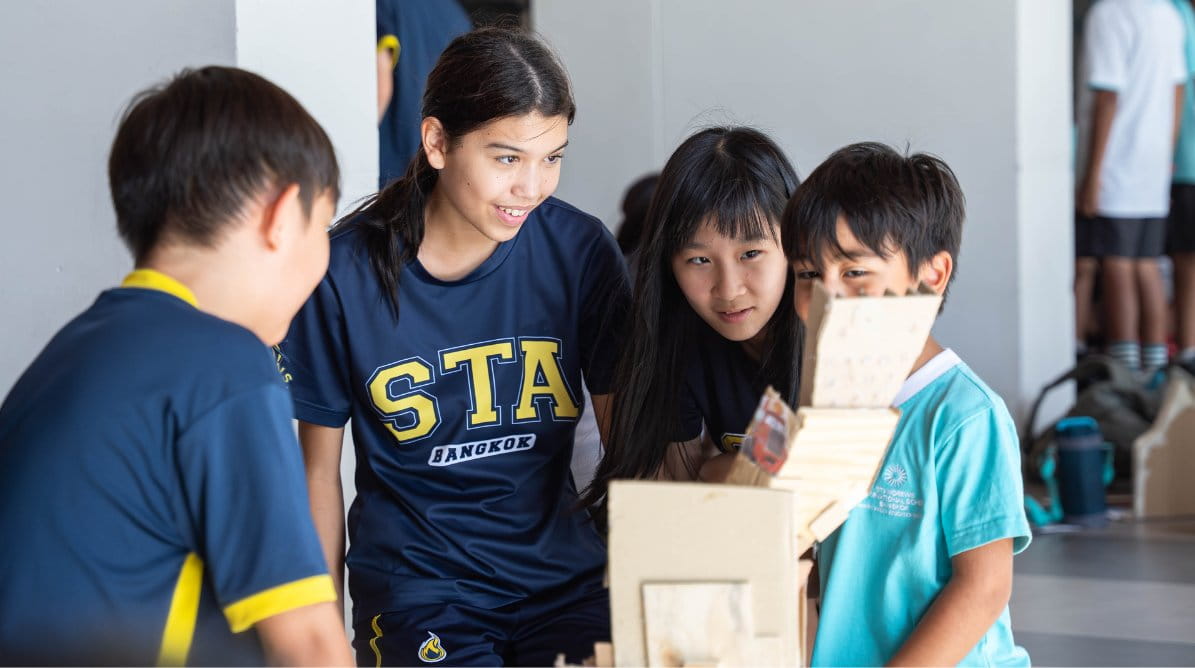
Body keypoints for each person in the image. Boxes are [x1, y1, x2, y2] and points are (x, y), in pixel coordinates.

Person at [280, 27, 629, 667]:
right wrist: (324, 638)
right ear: (437, 142)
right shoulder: (341, 274)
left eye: (552, 158)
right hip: (421, 595)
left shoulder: (580, 251)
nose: (533, 186)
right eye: (507, 158)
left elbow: (625, 450)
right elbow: (317, 474)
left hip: (567, 584)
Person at [0, 66, 352, 666]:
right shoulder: (226, 365)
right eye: (322, 227)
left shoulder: (64, 359)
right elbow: (312, 646)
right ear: (281, 215)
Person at [783, 142, 1031, 666]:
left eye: (854, 274)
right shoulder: (822, 406)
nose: (827, 299)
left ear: (931, 275)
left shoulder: (965, 416)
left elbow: (984, 587)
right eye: (808, 275)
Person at [583, 126, 800, 516]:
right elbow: (678, 494)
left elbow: (801, 478)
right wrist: (721, 471)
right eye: (699, 260)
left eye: (751, 253)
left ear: (795, 243)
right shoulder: (678, 339)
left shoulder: (832, 339)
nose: (728, 289)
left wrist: (720, 468)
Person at [1074, 0, 1186, 371]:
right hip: (1152, 164)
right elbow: (1177, 90)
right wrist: (1165, 154)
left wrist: (1092, 174)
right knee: (1146, 265)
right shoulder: (1167, 14)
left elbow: (1108, 96)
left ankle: (1122, 374)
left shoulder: (1110, 13)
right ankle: (1154, 373)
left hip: (1117, 163)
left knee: (1117, 265)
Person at [376, 0, 472, 186]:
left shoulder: (382, 5)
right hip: (431, 167)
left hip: (387, 166)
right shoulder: (455, 14)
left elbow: (380, 88)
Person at [1169, 0, 1195, 367]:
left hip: (1186, 160)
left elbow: (1177, 85)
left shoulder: (1177, 13)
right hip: (1184, 160)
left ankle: (1189, 346)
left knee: (1187, 259)